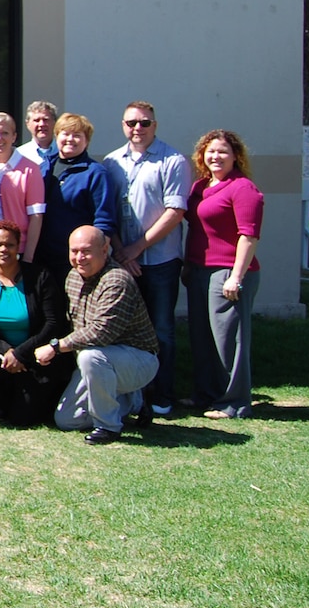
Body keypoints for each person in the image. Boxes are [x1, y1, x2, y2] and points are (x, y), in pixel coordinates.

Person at [103, 102, 192, 418]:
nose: (137, 128)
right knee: (126, 331)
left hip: (160, 261)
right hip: (122, 260)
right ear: (122, 125)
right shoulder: (112, 162)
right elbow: (107, 212)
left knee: (162, 329)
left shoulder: (173, 161)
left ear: (155, 125)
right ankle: (132, 393)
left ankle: (162, 394)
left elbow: (175, 212)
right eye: (131, 123)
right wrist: (121, 251)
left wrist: (136, 249)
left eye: (144, 123)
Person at [34, 227, 160, 444]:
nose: (79, 258)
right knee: (67, 420)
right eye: (74, 251)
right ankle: (135, 401)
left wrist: (54, 347)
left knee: (90, 356)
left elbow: (101, 333)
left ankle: (108, 427)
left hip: (138, 359)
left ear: (105, 250)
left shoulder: (117, 280)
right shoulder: (73, 276)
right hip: (99, 363)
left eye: (86, 252)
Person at [183, 129, 264, 420]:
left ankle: (235, 402)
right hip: (199, 271)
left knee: (229, 340)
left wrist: (236, 276)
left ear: (236, 156)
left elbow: (249, 236)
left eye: (223, 152)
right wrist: (189, 265)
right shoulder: (200, 187)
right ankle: (206, 394)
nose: (216, 156)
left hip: (228, 272)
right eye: (211, 151)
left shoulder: (243, 188)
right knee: (202, 337)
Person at [0, 222, 72, 424]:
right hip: (3, 354)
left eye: (10, 245)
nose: (3, 250)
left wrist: (21, 353)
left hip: (36, 356)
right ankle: (3, 401)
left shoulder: (40, 276)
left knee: (23, 420)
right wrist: (8, 351)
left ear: (18, 246)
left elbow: (53, 323)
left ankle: (25, 399)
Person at [35, 113, 117, 284]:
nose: (70, 139)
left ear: (87, 141)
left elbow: (104, 221)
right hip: (42, 257)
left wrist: (95, 262)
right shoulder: (44, 168)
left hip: (76, 261)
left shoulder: (95, 173)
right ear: (57, 136)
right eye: (65, 133)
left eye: (77, 135)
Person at [0, 112, 46, 264]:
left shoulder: (30, 169)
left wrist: (28, 257)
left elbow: (36, 216)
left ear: (14, 137)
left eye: (5, 133)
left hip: (16, 248)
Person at [16, 100, 60, 168]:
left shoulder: (63, 151)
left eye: (45, 120)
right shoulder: (19, 155)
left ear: (55, 122)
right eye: (36, 120)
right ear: (28, 124)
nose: (41, 124)